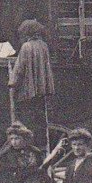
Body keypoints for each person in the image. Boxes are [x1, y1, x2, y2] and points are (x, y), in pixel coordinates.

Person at [9, 19, 55, 150]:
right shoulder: (44, 46)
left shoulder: (26, 47)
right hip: (42, 92)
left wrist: (12, 84)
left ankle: (29, 146)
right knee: (40, 122)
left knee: (27, 122)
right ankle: (41, 145)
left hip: (27, 93)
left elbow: (19, 70)